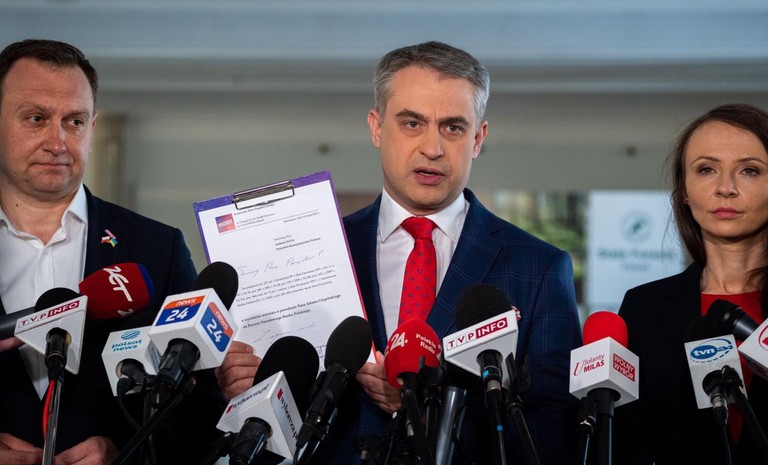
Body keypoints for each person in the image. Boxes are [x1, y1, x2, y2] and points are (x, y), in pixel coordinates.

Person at [216, 40, 582, 465]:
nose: (433, 148)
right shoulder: (316, 250)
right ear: (376, 128)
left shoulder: (538, 267)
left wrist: (428, 410)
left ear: (478, 138)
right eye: (412, 123)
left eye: (453, 127)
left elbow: (557, 433)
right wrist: (243, 392)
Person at [0, 39, 221, 465]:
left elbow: (202, 410)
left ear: (92, 127)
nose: (57, 141)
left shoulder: (157, 249)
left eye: (74, 121)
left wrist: (129, 454)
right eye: (36, 118)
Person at [614, 103, 768, 465]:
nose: (726, 188)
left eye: (749, 170)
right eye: (706, 169)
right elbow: (628, 440)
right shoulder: (643, 307)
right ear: (684, 190)